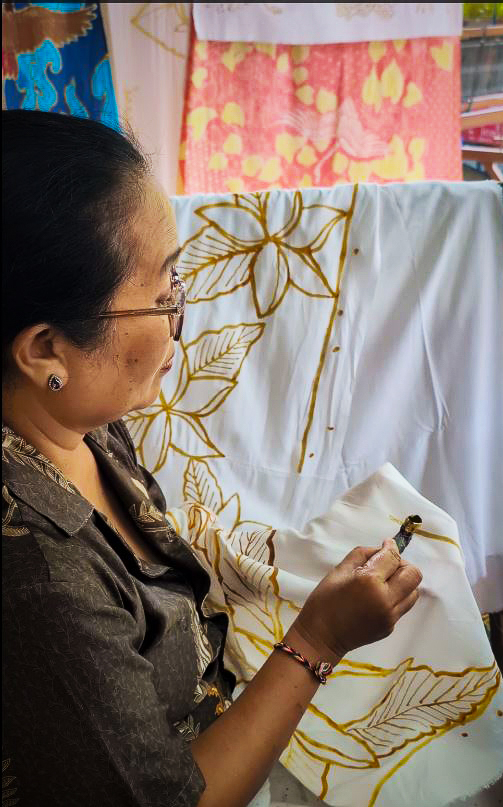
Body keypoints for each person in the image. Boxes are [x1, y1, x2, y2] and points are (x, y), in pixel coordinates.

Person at [1, 110, 423, 807]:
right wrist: (318, 640)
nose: (179, 320)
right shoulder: (41, 580)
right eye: (162, 295)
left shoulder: (76, 424)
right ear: (47, 350)